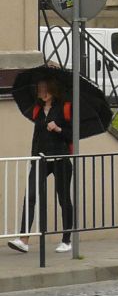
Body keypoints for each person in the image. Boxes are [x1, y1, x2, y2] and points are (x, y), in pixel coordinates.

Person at [8, 78, 75, 254]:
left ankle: (67, 239)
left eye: (44, 88)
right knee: (30, 196)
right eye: (39, 88)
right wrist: (34, 159)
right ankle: (24, 239)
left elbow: (73, 135)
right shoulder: (37, 111)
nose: (40, 91)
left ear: (52, 90)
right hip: (41, 160)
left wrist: (58, 129)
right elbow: (36, 137)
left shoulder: (65, 108)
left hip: (61, 160)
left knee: (64, 199)